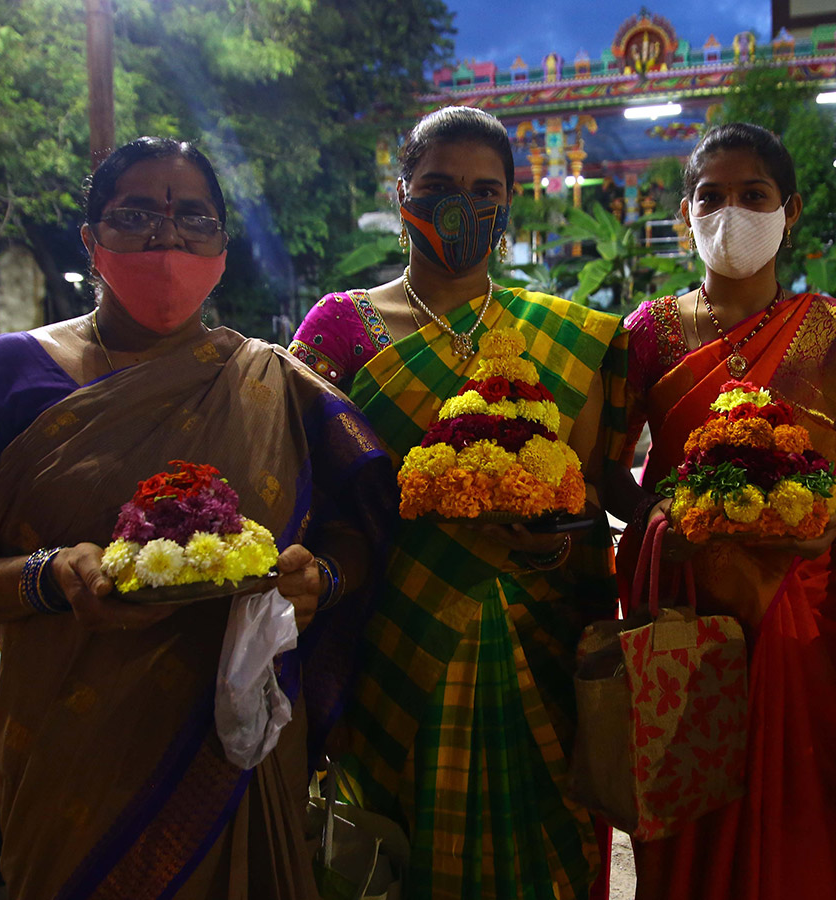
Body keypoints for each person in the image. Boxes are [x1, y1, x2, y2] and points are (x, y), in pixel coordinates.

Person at [0, 136, 395, 899]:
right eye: (136, 214)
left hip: (238, 752)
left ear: (224, 248)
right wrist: (45, 578)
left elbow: (360, 527)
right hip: (71, 759)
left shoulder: (273, 381)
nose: (167, 238)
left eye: (193, 218)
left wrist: (320, 580)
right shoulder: (4, 373)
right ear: (90, 239)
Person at [291, 106, 628, 900]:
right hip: (392, 636)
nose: (461, 207)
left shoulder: (560, 334)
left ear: (509, 201)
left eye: (485, 190)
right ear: (401, 191)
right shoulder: (341, 328)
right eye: (438, 185)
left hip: (533, 638)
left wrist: (548, 542)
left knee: (544, 840)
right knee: (397, 845)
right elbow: (306, 487)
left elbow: (580, 486)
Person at [616, 122, 836, 900]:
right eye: (710, 196)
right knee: (687, 811)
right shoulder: (649, 333)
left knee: (805, 807)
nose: (731, 214)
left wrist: (835, 523)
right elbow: (608, 472)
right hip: (687, 607)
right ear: (685, 214)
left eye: (754, 195)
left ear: (792, 208)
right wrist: (656, 525)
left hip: (808, 607)